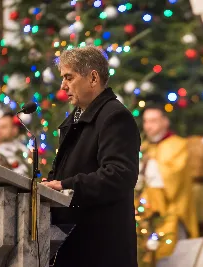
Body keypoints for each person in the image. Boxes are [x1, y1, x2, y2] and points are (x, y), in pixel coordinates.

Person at [41, 46, 141, 267]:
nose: (63, 86)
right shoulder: (77, 119)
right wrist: (51, 184)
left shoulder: (115, 116)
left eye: (69, 77)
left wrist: (65, 185)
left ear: (93, 77)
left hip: (101, 247)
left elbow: (119, 175)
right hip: (75, 243)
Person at [137, 105, 199, 259]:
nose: (148, 126)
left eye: (153, 121)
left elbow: (174, 177)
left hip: (172, 208)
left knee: (173, 256)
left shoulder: (178, 144)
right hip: (146, 208)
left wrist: (148, 165)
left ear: (165, 122)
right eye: (146, 121)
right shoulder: (144, 146)